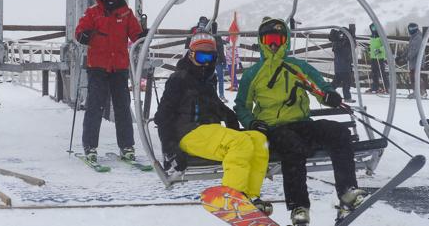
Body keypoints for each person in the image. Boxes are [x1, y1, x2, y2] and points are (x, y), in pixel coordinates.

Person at [234, 17, 367, 225]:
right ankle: (299, 206)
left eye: (278, 39)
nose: (274, 44)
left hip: (302, 123)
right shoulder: (253, 74)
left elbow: (320, 86)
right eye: (269, 39)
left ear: (285, 40)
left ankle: (347, 191)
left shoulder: (297, 67)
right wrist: (251, 122)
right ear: (262, 41)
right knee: (291, 145)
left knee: (338, 132)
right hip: (273, 129)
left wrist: (330, 95)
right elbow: (241, 105)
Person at [154, 31, 272, 215]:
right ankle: (232, 197)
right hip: (188, 133)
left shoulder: (207, 80)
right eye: (201, 56)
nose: (206, 62)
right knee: (240, 143)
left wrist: (233, 121)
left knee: (257, 139)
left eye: (211, 57)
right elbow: (163, 116)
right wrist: (170, 149)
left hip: (210, 131)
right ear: (191, 54)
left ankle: (250, 196)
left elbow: (215, 105)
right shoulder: (179, 79)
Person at [75, 0, 145, 162]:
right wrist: (83, 35)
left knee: (122, 107)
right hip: (97, 67)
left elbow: (136, 35)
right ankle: (90, 146)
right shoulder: (93, 12)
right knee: (95, 107)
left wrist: (143, 35)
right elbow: (79, 32)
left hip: (119, 68)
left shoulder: (126, 13)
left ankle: (127, 146)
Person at [329, 28, 354, 103]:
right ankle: (347, 98)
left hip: (338, 67)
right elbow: (349, 50)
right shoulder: (344, 43)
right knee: (346, 83)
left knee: (336, 82)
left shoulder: (336, 43)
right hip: (345, 67)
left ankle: (326, 91)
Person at [406, 22, 427, 98]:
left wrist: (408, 57)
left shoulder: (418, 37)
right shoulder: (413, 37)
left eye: (411, 29)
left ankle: (421, 92)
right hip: (414, 61)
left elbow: (414, 49)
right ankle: (417, 92)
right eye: (409, 29)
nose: (410, 30)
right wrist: (402, 55)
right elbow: (409, 48)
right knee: (413, 76)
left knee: (416, 76)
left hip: (417, 61)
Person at [367, 23, 388, 94]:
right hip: (373, 57)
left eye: (375, 28)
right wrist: (369, 49)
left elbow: (385, 46)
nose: (373, 29)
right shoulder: (372, 36)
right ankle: (375, 87)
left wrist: (379, 50)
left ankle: (386, 87)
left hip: (380, 57)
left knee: (381, 73)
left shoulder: (381, 35)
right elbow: (372, 45)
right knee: (374, 73)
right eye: (372, 28)